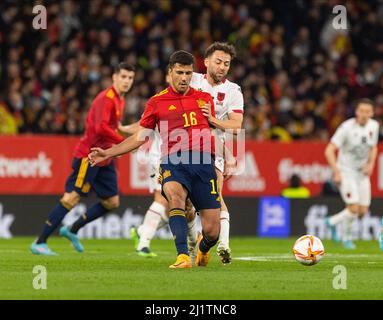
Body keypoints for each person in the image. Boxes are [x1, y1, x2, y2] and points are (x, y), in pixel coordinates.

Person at [89, 50, 221, 269]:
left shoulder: (205, 99)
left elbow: (213, 130)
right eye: (179, 72)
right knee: (175, 199)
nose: (184, 78)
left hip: (203, 164)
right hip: (173, 161)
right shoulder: (156, 102)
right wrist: (109, 152)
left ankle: (203, 248)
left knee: (212, 231)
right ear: (170, 73)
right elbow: (141, 137)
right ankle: (182, 256)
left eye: (188, 73)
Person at [30, 63, 136, 256]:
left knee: (112, 202)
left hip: (104, 157)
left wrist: (137, 134)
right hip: (90, 155)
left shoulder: (120, 99)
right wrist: (124, 143)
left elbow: (115, 126)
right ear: (114, 77)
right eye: (123, 77)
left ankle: (72, 229)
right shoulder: (107, 98)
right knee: (71, 198)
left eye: (130, 78)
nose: (126, 81)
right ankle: (40, 242)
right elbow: (100, 128)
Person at [190, 42, 244, 264]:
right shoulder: (191, 80)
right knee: (187, 207)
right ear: (206, 62)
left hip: (214, 152)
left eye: (227, 64)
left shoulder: (233, 91)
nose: (222, 67)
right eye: (218, 62)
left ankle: (223, 244)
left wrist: (212, 119)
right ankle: (197, 245)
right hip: (185, 148)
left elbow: (236, 125)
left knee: (215, 197)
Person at [324, 98, 379, 249]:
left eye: (368, 111)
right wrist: (336, 172)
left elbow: (373, 147)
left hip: (362, 173)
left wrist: (371, 164)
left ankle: (332, 222)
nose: (364, 114)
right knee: (353, 208)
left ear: (372, 113)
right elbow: (329, 150)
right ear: (356, 112)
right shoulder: (346, 128)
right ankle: (347, 239)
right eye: (361, 111)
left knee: (362, 211)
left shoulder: (374, 126)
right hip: (346, 171)